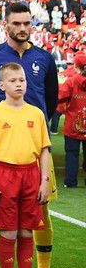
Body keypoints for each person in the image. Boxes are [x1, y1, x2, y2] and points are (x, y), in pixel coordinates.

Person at [0, 2, 65, 268]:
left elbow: (51, 98)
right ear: (6, 25)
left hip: (35, 147)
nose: (23, 28)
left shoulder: (44, 58)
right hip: (3, 149)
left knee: (41, 209)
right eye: (17, 23)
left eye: (27, 23)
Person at [0, 63, 51, 268]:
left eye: (22, 80)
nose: (19, 84)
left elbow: (44, 150)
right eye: (13, 80)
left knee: (27, 230)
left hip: (31, 174)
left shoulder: (36, 113)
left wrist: (44, 181)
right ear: (2, 85)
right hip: (5, 174)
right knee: (9, 231)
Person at [57, 52, 86, 188]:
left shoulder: (71, 81)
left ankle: (70, 182)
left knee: (72, 154)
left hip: (73, 124)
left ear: (76, 66)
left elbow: (59, 96)